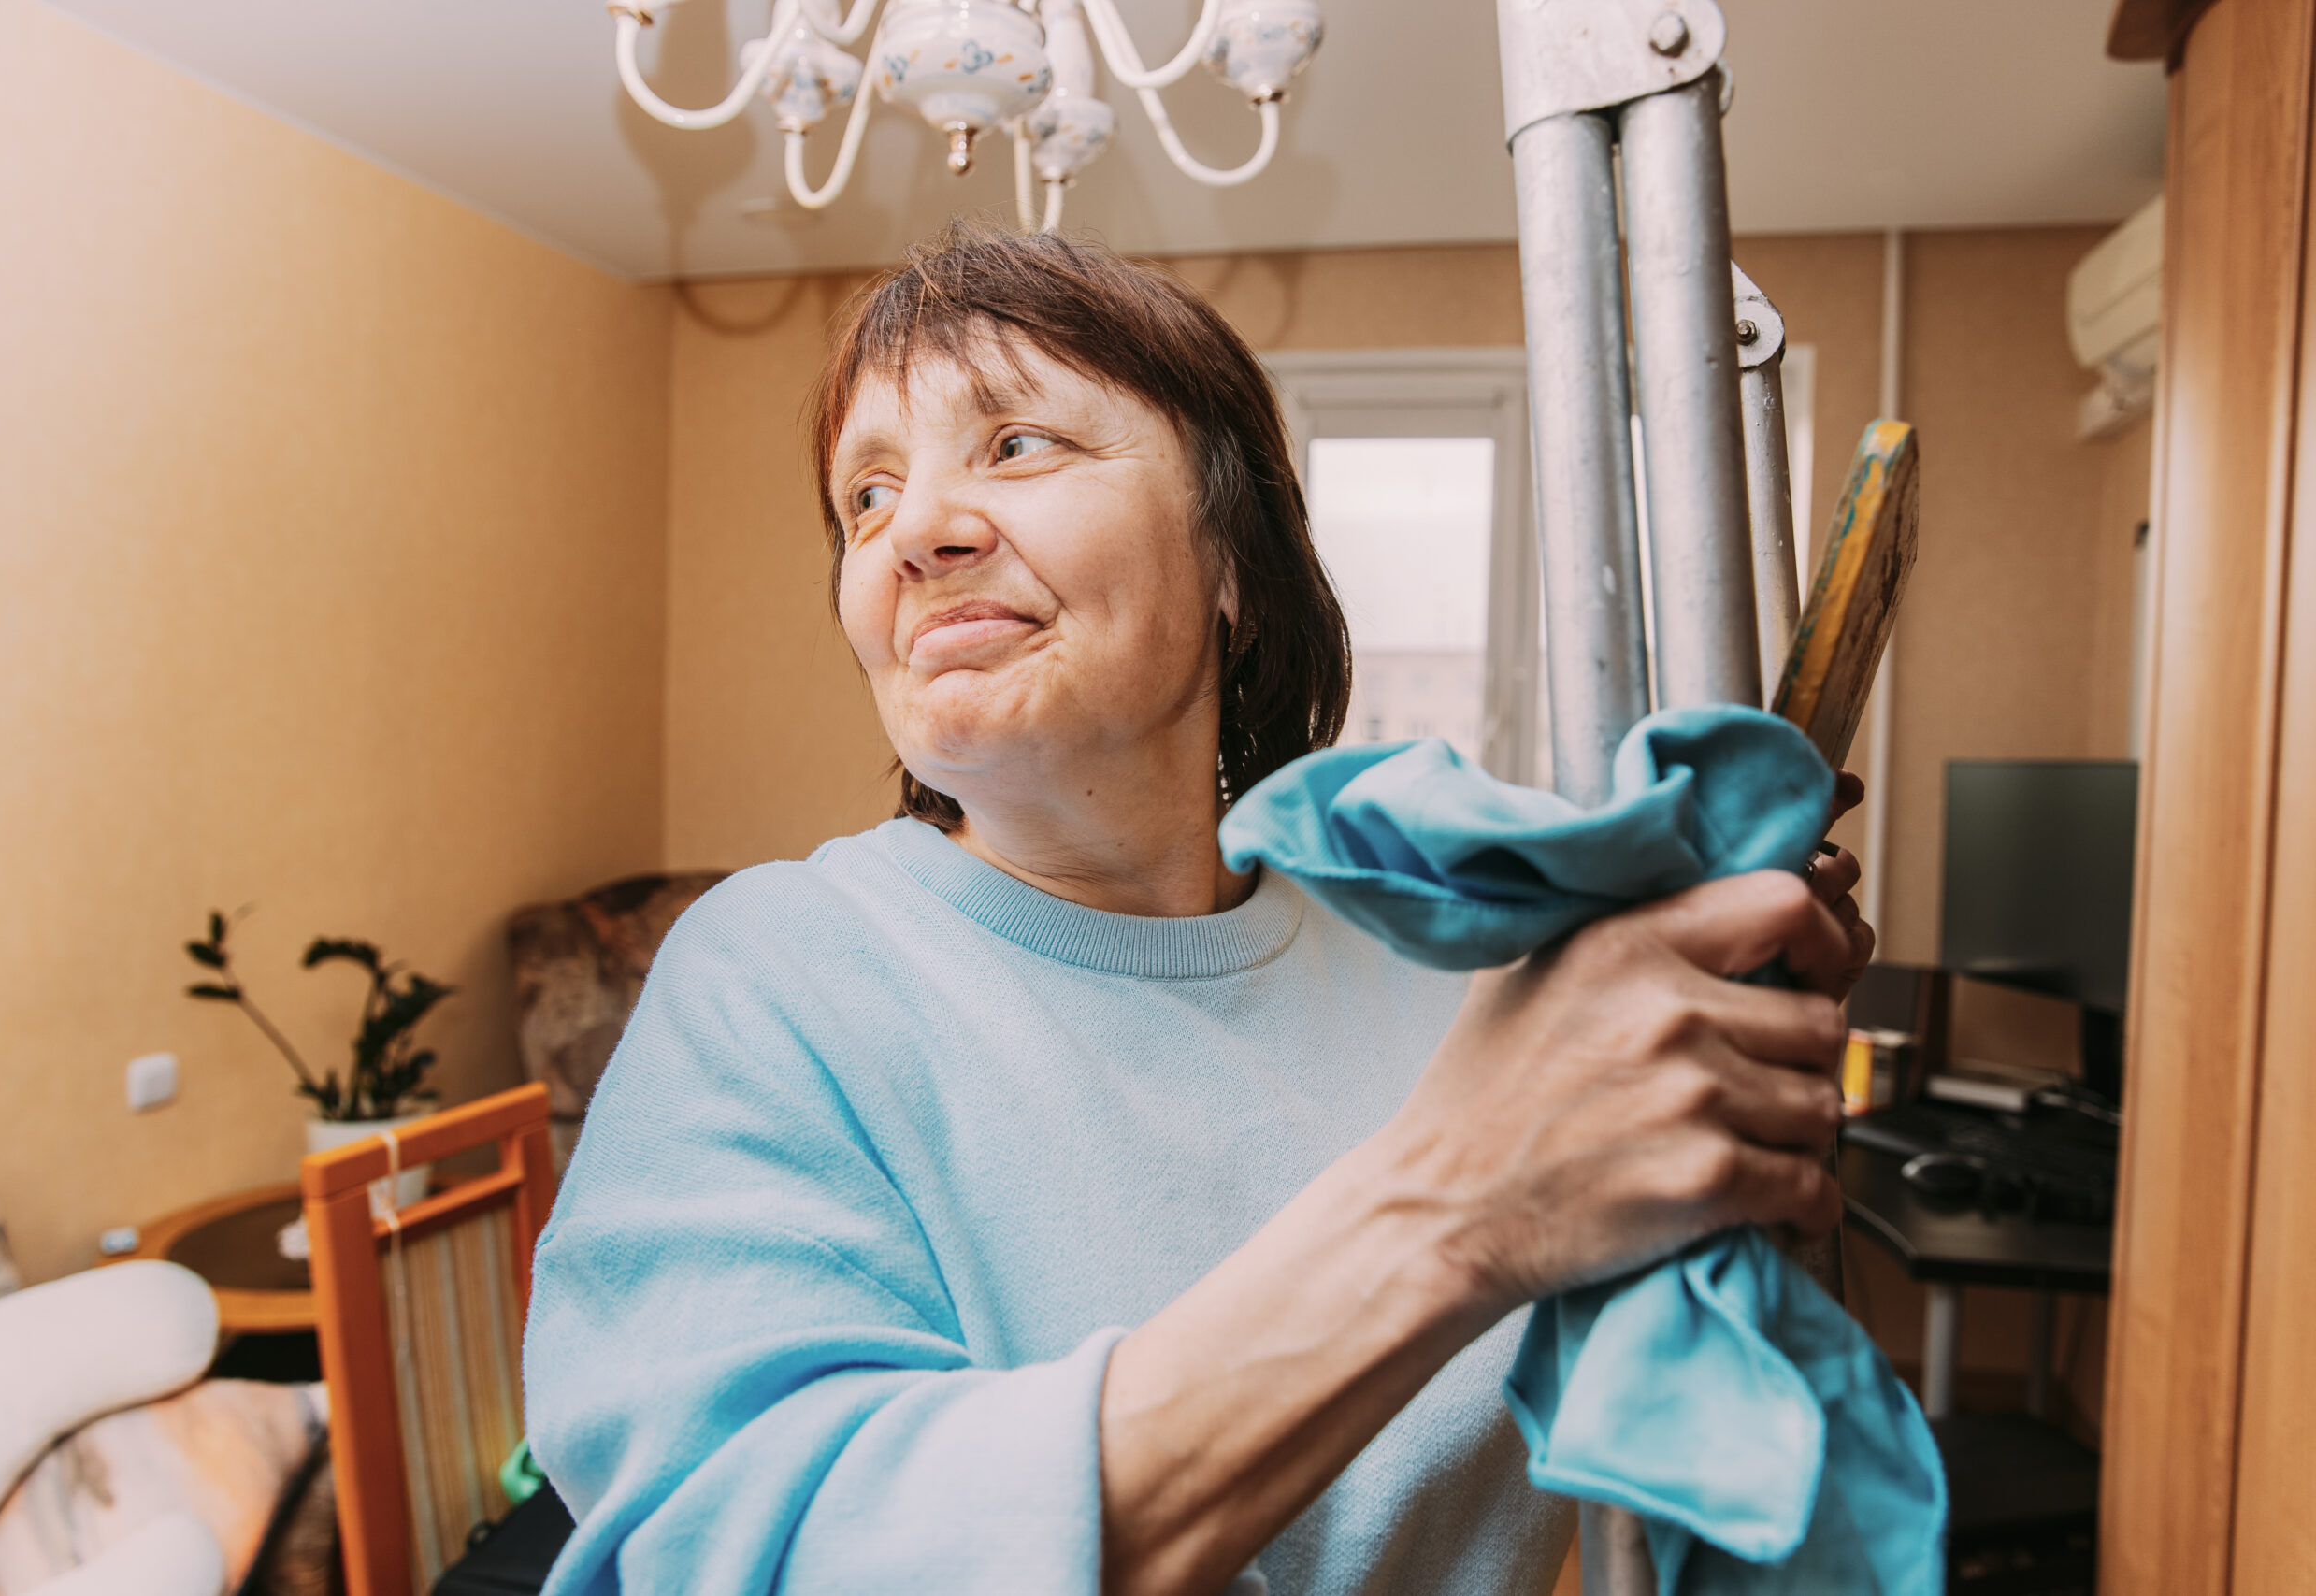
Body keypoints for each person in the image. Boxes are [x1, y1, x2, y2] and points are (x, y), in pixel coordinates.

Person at [524, 226, 1874, 1596]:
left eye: (1015, 447)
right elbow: (759, 1554)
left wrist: (1722, 1041)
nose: (914, 535)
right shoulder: (768, 984)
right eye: (866, 495)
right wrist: (1461, 1203)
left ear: (1234, 567)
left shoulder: (1457, 975)